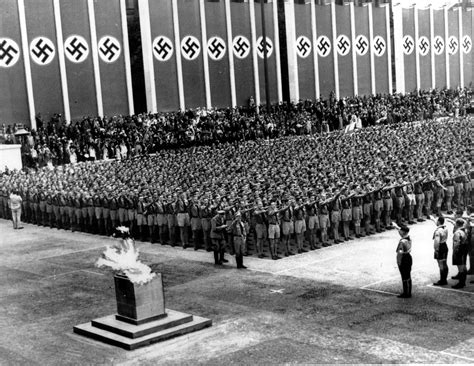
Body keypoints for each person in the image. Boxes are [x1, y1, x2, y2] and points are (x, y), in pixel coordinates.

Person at [393, 223, 412, 298]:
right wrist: (396, 227)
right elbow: (401, 232)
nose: (399, 232)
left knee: (404, 276)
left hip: (404, 258)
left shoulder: (402, 242)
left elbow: (400, 253)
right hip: (409, 257)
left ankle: (405, 293)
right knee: (408, 275)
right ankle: (409, 292)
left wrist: (399, 262)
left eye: (400, 231)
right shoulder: (408, 238)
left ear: (403, 232)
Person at [429, 216, 449, 286]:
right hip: (445, 245)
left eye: (437, 221)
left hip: (440, 247)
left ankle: (442, 280)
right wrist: (433, 219)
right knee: (444, 263)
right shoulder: (445, 227)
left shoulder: (438, 231)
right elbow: (438, 225)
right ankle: (445, 279)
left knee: (441, 265)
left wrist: (436, 250)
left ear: (439, 222)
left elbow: (436, 241)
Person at [451, 219, 468, 289]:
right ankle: (463, 282)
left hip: (459, 250)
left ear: (457, 224)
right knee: (464, 265)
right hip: (464, 249)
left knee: (460, 267)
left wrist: (455, 251)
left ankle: (461, 283)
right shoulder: (465, 230)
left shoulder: (457, 232)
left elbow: (456, 243)